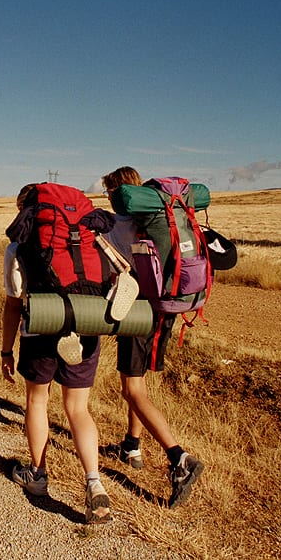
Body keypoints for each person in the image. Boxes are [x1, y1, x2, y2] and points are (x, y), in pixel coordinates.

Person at [1, 184, 112, 525]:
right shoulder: (91, 240)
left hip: (42, 327)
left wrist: (6, 350)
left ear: (26, 212)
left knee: (37, 402)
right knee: (78, 408)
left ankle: (38, 476)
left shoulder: (19, 247)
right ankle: (94, 482)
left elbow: (13, 304)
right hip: (87, 325)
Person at [100, 166, 204, 508]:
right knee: (139, 383)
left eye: (109, 192)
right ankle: (131, 445)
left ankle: (179, 460)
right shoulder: (156, 218)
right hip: (165, 306)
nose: (107, 199)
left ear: (118, 193)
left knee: (131, 388)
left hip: (138, 311)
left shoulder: (116, 225)